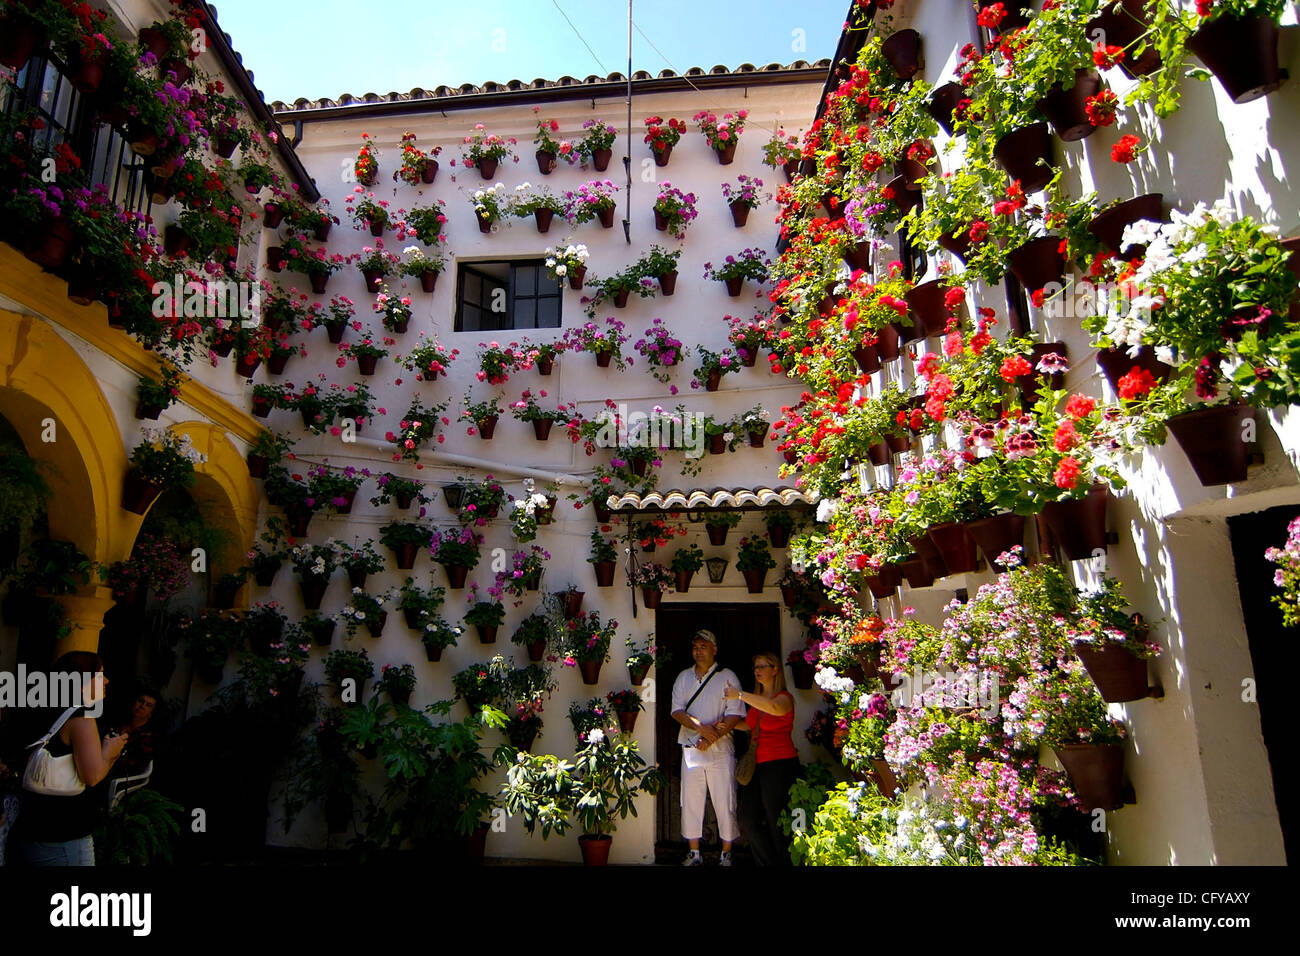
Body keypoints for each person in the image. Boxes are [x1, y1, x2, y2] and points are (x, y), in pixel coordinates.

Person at [14, 652, 128, 866]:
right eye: (100, 674)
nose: (106, 680)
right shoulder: (81, 719)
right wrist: (110, 752)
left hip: (29, 830)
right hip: (64, 836)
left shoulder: (42, 708)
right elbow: (92, 776)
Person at [670, 629, 745, 866]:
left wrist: (711, 737)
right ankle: (694, 853)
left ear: (714, 649)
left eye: (703, 646)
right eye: (695, 647)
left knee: (725, 799)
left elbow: (734, 714)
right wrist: (702, 729)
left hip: (721, 751)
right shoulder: (684, 677)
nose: (698, 651)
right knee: (690, 800)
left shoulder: (727, 676)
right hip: (692, 748)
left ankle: (726, 853)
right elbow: (676, 710)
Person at [727, 651, 800, 866]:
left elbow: (775, 709)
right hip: (757, 765)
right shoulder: (758, 700)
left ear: (775, 669)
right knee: (747, 820)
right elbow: (748, 724)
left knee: (776, 820)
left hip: (780, 764)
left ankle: (785, 863)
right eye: (756, 667)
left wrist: (739, 695)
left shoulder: (784, 698)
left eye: (762, 667)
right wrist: (723, 726)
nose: (757, 671)